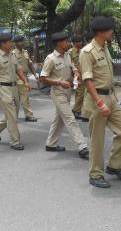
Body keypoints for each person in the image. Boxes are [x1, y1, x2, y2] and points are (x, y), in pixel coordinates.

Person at [80, 16, 121, 188]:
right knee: (97, 139)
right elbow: (87, 80)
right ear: (101, 32)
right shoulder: (87, 52)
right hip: (97, 100)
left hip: (110, 97)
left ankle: (114, 165)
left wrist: (111, 99)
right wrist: (99, 103)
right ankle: (95, 174)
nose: (112, 32)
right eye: (110, 30)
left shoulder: (105, 48)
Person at [39, 31, 89, 159]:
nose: (68, 43)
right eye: (66, 41)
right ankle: (82, 146)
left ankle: (51, 144)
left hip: (67, 92)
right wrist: (58, 82)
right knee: (70, 118)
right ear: (59, 43)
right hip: (57, 93)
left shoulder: (67, 55)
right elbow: (43, 78)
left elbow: (73, 68)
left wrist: (76, 73)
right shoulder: (50, 59)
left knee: (59, 119)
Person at [0, 33, 31, 151]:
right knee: (12, 116)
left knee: (13, 114)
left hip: (14, 87)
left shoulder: (12, 55)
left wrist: (26, 81)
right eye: (9, 42)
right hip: (3, 88)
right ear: (3, 44)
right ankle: (15, 141)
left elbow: (18, 69)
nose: (12, 43)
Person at [12, 35, 38, 122]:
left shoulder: (25, 52)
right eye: (20, 41)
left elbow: (30, 64)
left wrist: (35, 74)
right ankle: (28, 115)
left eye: (23, 41)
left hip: (25, 77)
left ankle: (18, 116)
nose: (23, 43)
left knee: (21, 97)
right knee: (21, 97)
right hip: (17, 78)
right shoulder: (13, 54)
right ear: (16, 43)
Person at [70, 35, 88, 122]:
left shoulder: (82, 51)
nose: (80, 43)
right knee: (81, 94)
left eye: (81, 41)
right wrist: (73, 78)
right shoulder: (70, 52)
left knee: (79, 94)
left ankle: (77, 110)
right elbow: (69, 66)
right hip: (76, 76)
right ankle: (75, 110)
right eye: (78, 42)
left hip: (84, 74)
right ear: (74, 43)